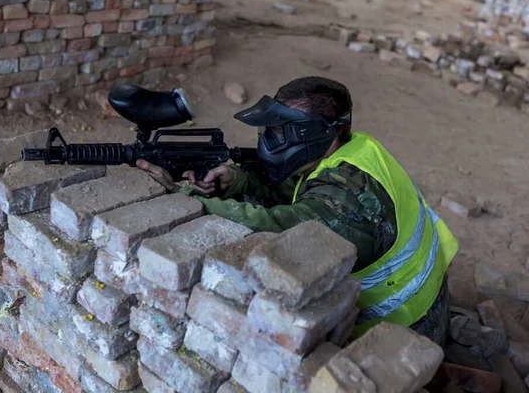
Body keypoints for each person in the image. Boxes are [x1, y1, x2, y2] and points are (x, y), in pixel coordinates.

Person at [135, 76, 458, 345]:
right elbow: (296, 190)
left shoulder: (348, 198)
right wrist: (237, 181)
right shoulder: (352, 150)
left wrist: (184, 195)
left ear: (317, 134)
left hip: (403, 329)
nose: (266, 142)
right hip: (418, 299)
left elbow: (275, 229)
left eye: (276, 134)